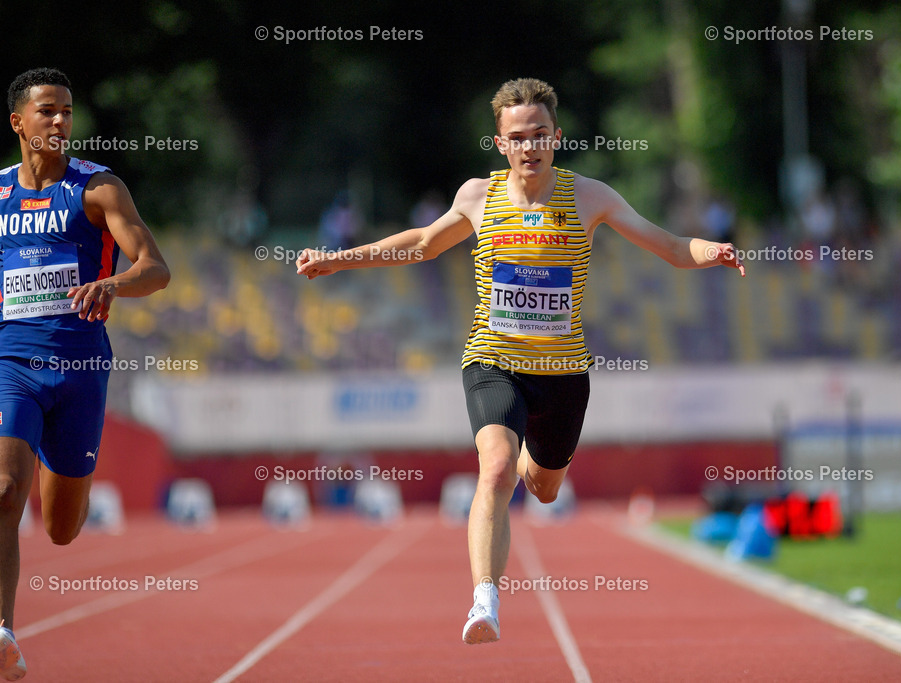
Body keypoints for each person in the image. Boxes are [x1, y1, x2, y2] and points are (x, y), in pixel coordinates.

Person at [296, 77, 744, 644]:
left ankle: (536, 457)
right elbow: (420, 244)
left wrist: (715, 251)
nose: (530, 147)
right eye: (517, 137)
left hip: (563, 376)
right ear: (500, 145)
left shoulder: (590, 197)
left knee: (544, 488)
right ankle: (484, 598)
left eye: (539, 135)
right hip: (494, 359)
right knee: (497, 468)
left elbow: (673, 248)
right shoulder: (478, 197)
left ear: (556, 137)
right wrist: (339, 260)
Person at [0, 68, 170, 678]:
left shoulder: (97, 189)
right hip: (12, 361)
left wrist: (113, 283)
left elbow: (156, 267)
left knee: (63, 530)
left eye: (67, 111)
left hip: (79, 368)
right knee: (1, 492)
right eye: (47, 111)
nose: (60, 122)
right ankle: (3, 633)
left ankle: (60, 462)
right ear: (19, 121)